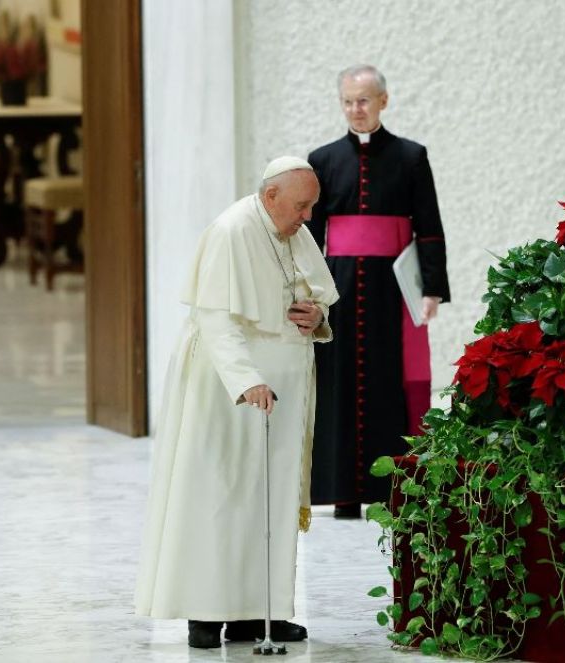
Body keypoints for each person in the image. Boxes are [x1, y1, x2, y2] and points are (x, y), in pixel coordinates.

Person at [134, 157, 339, 649]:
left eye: (311, 206)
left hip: (284, 388)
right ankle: (206, 613)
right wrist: (246, 380)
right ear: (271, 197)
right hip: (228, 389)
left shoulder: (292, 230)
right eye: (300, 206)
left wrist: (316, 315)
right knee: (219, 494)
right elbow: (214, 319)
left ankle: (256, 612)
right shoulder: (230, 231)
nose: (307, 216)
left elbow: (318, 295)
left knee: (268, 497)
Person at [307, 65, 450, 518]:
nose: (356, 109)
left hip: (393, 293)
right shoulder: (323, 159)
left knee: (390, 382)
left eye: (364, 100)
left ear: (383, 101)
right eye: (348, 101)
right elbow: (311, 234)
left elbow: (429, 228)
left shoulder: (411, 156)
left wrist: (432, 290)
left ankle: (395, 488)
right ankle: (343, 493)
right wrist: (307, 291)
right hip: (339, 289)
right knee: (339, 384)